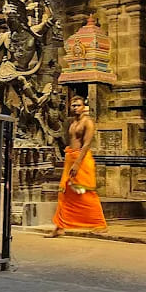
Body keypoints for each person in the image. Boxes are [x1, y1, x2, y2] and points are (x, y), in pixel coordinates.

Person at [48, 95, 107, 237]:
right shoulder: (71, 122)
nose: (75, 108)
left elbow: (86, 144)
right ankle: (59, 227)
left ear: (83, 107)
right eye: (73, 105)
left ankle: (100, 224)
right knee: (64, 193)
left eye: (78, 105)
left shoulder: (88, 122)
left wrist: (77, 163)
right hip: (70, 157)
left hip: (82, 160)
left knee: (86, 193)